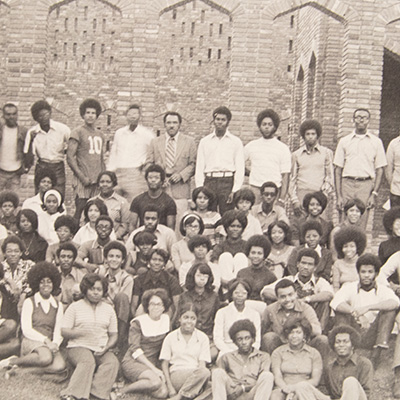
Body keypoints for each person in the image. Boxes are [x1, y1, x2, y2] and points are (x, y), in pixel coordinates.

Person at [330, 253, 399, 366]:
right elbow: (335, 302)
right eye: (363, 272)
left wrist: (368, 308)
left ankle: (377, 352)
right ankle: (345, 351)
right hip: (354, 331)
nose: (366, 275)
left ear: (376, 274)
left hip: (373, 333)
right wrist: (355, 313)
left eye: (370, 272)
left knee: (389, 311)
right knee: (340, 312)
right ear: (358, 273)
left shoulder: (383, 289)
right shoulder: (350, 287)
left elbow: (395, 302)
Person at [0, 262, 66, 376]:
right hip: (31, 340)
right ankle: (12, 361)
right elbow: (26, 329)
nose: (46, 285)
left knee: (59, 366)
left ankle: (18, 371)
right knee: (45, 358)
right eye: (42, 282)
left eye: (49, 281)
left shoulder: (58, 305)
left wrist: (54, 344)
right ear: (36, 284)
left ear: (54, 283)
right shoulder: (29, 301)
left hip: (49, 343)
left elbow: (58, 329)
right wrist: (46, 341)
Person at [60, 273, 119, 400]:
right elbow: (64, 331)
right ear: (85, 289)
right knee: (87, 361)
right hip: (78, 346)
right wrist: (80, 332)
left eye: (99, 289)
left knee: (112, 362)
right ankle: (72, 394)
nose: (95, 293)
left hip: (101, 348)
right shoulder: (75, 307)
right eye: (92, 289)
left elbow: (114, 335)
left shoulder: (109, 309)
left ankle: (95, 394)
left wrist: (106, 347)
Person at [333, 108, 387, 224]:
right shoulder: (344, 141)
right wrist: (339, 196)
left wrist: (374, 194)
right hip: (347, 183)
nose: (361, 120)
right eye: (358, 117)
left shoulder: (376, 142)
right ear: (353, 120)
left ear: (368, 120)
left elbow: (380, 170)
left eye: (365, 118)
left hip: (365, 185)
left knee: (362, 219)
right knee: (344, 218)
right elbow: (338, 170)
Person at [146, 111, 196, 231]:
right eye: (168, 122)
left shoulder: (189, 142)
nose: (171, 125)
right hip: (160, 189)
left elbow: (193, 164)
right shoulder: (155, 142)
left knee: (179, 222)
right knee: (160, 221)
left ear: (179, 125)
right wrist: (159, 179)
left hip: (180, 189)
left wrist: (181, 175)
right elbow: (149, 163)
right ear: (164, 124)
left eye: (174, 122)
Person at [265, 248, 333, 332]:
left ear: (315, 267)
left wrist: (306, 299)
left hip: (311, 318)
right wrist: (286, 298)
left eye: (310, 264)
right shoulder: (289, 279)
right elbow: (266, 291)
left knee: (325, 302)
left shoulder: (320, 282)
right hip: (289, 317)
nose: (305, 267)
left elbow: (329, 294)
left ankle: (320, 332)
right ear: (297, 264)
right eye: (303, 263)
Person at [119, 288, 170, 398]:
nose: (155, 307)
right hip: (134, 361)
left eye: (159, 304)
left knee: (163, 393)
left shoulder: (166, 320)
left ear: (164, 307)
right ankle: (122, 391)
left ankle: (138, 388)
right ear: (147, 306)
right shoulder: (138, 322)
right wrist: (154, 369)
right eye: (152, 304)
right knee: (155, 382)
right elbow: (135, 350)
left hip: (152, 362)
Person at [195, 106, 245, 215]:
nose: (220, 122)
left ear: (228, 122)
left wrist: (235, 190)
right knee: (208, 213)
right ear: (213, 120)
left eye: (223, 120)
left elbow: (240, 168)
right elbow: (199, 166)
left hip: (227, 181)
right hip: (209, 181)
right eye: (217, 119)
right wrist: (200, 188)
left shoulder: (236, 142)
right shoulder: (205, 141)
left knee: (227, 214)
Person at [261, 279, 327, 356]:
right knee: (268, 337)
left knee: (322, 340)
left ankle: (321, 367)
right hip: (281, 348)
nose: (288, 299)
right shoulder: (270, 310)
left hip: (303, 346)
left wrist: (302, 324)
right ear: (277, 298)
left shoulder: (305, 308)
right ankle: (271, 366)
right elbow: (263, 331)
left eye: (290, 295)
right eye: (283, 297)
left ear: (296, 294)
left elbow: (318, 331)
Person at [212, 319, 274, 400]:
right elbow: (218, 381)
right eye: (240, 339)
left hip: (253, 394)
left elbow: (263, 381)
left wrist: (243, 387)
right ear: (234, 342)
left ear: (253, 339)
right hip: (233, 393)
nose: (244, 342)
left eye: (247, 338)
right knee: (217, 372)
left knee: (267, 375)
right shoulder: (227, 357)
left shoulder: (263, 357)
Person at [160, 303, 211, 400]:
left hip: (196, 375)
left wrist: (199, 379)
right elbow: (164, 364)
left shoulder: (202, 337)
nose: (189, 321)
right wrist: (170, 387)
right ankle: (190, 394)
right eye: (186, 317)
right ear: (179, 318)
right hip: (177, 375)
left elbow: (202, 364)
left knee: (214, 386)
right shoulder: (171, 337)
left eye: (193, 318)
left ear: (196, 320)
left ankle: (180, 397)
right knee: (205, 373)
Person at [270, 317, 328, 400]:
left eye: (298, 332)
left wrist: (294, 388)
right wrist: (287, 390)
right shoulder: (278, 352)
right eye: (291, 332)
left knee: (301, 392)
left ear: (304, 334)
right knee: (275, 396)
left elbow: (315, 380)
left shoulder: (314, 353)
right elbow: (277, 377)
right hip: (283, 388)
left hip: (305, 388)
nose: (294, 336)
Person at [107, 104, 155, 202]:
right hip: (118, 174)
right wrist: (110, 171)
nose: (133, 116)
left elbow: (153, 153)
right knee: (114, 203)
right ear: (126, 116)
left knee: (134, 205)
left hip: (135, 175)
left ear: (140, 116)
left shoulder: (147, 134)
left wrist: (145, 168)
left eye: (135, 113)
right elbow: (114, 153)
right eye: (130, 114)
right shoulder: (119, 133)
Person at [67, 98, 105, 220]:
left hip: (96, 180)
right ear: (83, 114)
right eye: (88, 113)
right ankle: (75, 235)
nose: (90, 116)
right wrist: (81, 177)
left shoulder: (100, 135)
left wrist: (103, 177)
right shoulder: (77, 132)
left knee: (95, 211)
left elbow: (101, 158)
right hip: (82, 179)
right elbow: (70, 157)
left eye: (93, 113)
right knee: (80, 209)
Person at [24, 100, 71, 197]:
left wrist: (66, 151)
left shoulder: (62, 129)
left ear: (50, 113)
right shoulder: (32, 132)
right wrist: (31, 141)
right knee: (40, 196)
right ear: (36, 118)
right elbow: (29, 158)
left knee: (58, 195)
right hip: (42, 165)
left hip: (58, 166)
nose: (44, 118)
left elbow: (73, 146)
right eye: (40, 116)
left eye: (46, 114)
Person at [245, 109, 291, 205]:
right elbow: (239, 163)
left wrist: (282, 198)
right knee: (255, 217)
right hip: (256, 189)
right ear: (260, 126)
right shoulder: (252, 145)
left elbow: (285, 175)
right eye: (264, 124)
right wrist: (252, 173)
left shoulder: (283, 148)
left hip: (274, 190)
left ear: (275, 127)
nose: (266, 127)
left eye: (270, 125)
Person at [290, 119, 334, 216]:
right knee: (301, 225)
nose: (310, 137)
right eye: (307, 134)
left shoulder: (326, 153)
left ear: (317, 135)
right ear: (303, 136)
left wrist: (324, 195)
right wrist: (294, 200)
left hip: (319, 194)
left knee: (318, 226)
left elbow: (329, 176)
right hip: (301, 194)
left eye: (313, 134)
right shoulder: (296, 155)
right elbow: (292, 179)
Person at [177, 262, 220, 360]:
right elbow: (178, 319)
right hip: (188, 334)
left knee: (213, 353)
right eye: (199, 275)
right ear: (193, 276)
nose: (202, 279)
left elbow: (216, 319)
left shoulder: (214, 296)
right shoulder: (184, 296)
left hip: (207, 336)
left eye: (205, 276)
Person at [98, 241, 133, 352]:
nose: (114, 259)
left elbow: (124, 303)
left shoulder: (127, 278)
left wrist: (106, 302)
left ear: (122, 260)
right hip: (99, 307)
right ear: (106, 259)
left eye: (118, 257)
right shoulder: (100, 272)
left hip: (117, 313)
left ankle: (118, 342)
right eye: (111, 256)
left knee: (121, 297)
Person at [214, 279, 261, 356]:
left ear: (247, 295)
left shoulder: (254, 314)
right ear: (231, 294)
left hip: (249, 352)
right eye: (236, 292)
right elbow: (218, 339)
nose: (240, 295)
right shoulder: (222, 313)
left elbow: (257, 341)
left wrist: (249, 352)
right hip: (227, 351)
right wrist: (230, 352)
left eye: (244, 293)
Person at [325, 325, 372, 400]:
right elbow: (327, 393)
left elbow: (367, 393)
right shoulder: (330, 367)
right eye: (338, 342)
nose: (341, 345)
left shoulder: (364, 364)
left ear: (353, 345)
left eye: (345, 341)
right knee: (304, 387)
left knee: (350, 382)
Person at [131, 248, 182, 317]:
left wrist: (171, 325)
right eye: (154, 259)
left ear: (164, 264)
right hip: (145, 311)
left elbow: (177, 306)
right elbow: (134, 305)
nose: (157, 263)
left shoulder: (171, 280)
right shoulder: (139, 280)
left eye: (160, 260)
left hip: (165, 311)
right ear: (148, 262)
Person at [130, 164, 177, 231]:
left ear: (162, 181)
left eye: (156, 178)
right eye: (150, 177)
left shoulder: (169, 202)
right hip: (142, 237)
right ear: (146, 180)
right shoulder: (137, 200)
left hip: (162, 237)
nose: (153, 180)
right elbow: (132, 225)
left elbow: (171, 228)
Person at [0, 235, 35, 321]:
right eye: (9, 251)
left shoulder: (29, 265)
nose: (13, 254)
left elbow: (32, 283)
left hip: (24, 301)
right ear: (4, 253)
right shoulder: (1, 267)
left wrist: (23, 295)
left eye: (16, 251)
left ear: (21, 253)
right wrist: (9, 281)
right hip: (5, 306)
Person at [211, 210, 248, 287]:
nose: (235, 229)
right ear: (226, 228)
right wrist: (224, 282)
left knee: (241, 257)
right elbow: (215, 267)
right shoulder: (220, 246)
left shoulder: (247, 245)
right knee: (225, 256)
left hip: (242, 284)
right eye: (232, 226)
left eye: (239, 226)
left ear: (243, 228)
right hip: (223, 283)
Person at [91, 171, 130, 240]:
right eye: (102, 182)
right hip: (93, 239)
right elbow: (84, 222)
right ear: (98, 184)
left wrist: (114, 237)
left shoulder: (122, 202)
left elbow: (125, 224)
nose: (105, 184)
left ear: (113, 184)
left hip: (115, 239)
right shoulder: (91, 201)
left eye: (108, 182)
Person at [237, 234, 277, 301]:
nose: (255, 256)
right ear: (248, 254)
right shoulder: (241, 273)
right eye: (253, 253)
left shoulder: (270, 276)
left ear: (264, 255)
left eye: (259, 253)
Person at [0, 103, 28, 192]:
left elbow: (29, 152)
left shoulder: (23, 131)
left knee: (13, 200)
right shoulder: (1, 130)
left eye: (14, 114)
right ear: (3, 115)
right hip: (0, 171)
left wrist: (25, 169)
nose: (11, 117)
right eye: (8, 114)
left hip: (15, 173)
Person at [332, 226, 367, 291]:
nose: (348, 249)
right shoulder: (338, 264)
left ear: (358, 247)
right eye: (345, 246)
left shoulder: (363, 262)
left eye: (352, 246)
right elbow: (335, 287)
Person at [57, 242, 85, 309]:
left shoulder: (81, 276)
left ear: (74, 259)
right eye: (63, 257)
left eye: (69, 257)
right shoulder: (52, 274)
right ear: (58, 258)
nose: (66, 260)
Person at [386, 130, 400, 208]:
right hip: (397, 191)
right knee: (396, 217)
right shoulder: (394, 144)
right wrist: (393, 185)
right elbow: (388, 168)